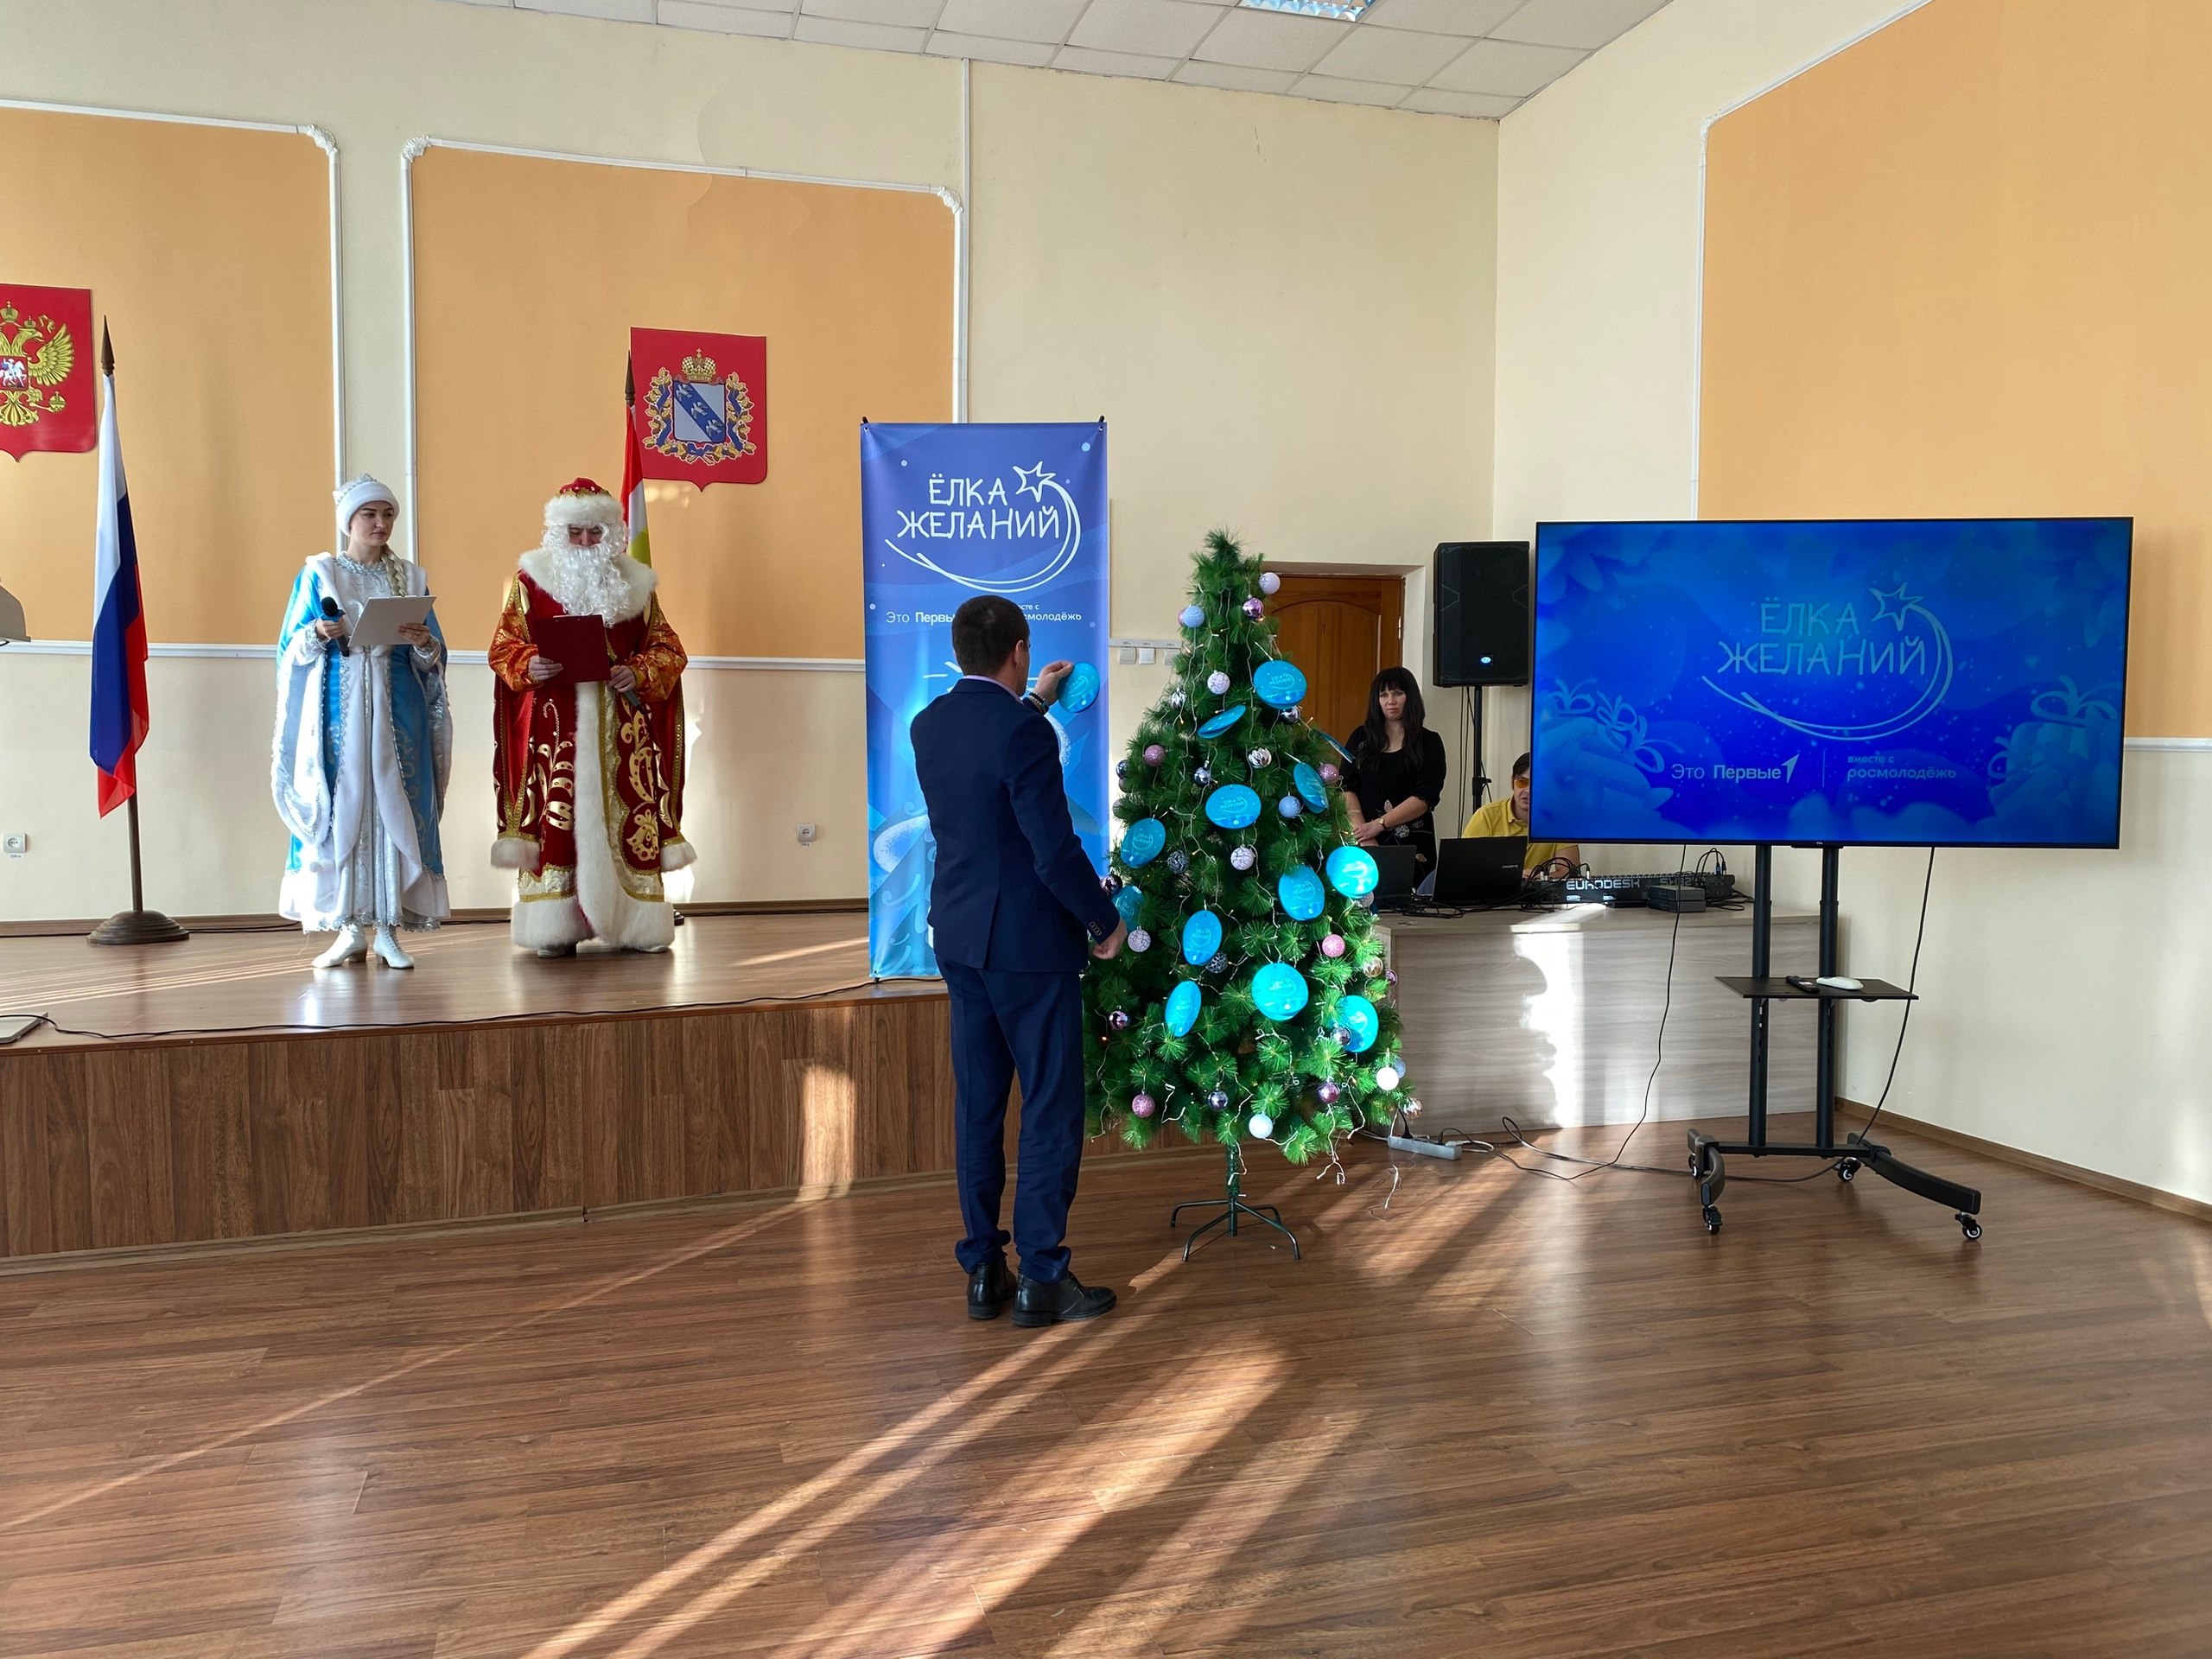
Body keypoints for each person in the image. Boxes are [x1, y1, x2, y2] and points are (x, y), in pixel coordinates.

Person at [910, 594, 1127, 1329]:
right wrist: (1103, 921)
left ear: (959, 652)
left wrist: (1036, 701)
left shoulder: (930, 724)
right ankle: (1042, 1276)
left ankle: (983, 1269)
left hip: (960, 940)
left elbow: (988, 759)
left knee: (979, 1105)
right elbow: (1053, 851)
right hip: (1029, 948)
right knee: (1049, 1107)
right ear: (1020, 650)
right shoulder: (1021, 735)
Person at [487, 478, 693, 956]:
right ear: (558, 533)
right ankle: (555, 925)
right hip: (554, 728)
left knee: (629, 816)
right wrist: (530, 664)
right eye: (575, 532)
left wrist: (637, 671)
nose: (585, 542)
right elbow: (503, 648)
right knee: (557, 818)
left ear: (611, 533)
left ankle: (635, 923)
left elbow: (668, 649)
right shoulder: (530, 583)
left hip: (623, 728)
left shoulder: (638, 585)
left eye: (595, 532)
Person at [273, 475, 451, 969]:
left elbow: (434, 658)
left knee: (393, 809)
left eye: (387, 514)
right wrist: (318, 631)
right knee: (343, 810)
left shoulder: (410, 578)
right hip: (337, 719)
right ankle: (349, 929)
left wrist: (423, 643)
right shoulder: (320, 574)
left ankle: (389, 928)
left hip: (398, 718)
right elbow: (289, 651)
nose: (380, 523)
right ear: (348, 521)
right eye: (369, 515)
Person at [1341, 666, 1448, 886]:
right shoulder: (1360, 738)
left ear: (1410, 697)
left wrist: (1380, 824)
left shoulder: (1429, 742)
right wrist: (1365, 835)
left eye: (1398, 693)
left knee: (1414, 900)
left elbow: (1426, 796)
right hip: (1363, 837)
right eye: (1384, 695)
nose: (1391, 701)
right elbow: (1346, 786)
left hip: (1413, 841)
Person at [1465, 750, 1580, 877]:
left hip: (1535, 889)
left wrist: (1536, 879)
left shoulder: (1560, 820)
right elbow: (1466, 867)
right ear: (1512, 782)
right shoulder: (1486, 816)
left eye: (1537, 785)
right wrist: (1512, 877)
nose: (1528, 791)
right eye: (1522, 782)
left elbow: (1569, 872)